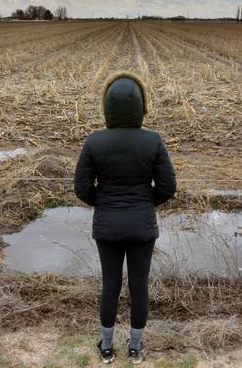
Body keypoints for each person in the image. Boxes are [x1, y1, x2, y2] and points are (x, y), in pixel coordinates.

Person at [74, 71, 177, 364]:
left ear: (107, 107)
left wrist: (104, 203)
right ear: (140, 106)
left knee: (110, 285)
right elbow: (168, 187)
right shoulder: (153, 141)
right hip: (142, 226)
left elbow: (81, 188)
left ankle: (106, 349)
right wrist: (145, 203)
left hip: (107, 226)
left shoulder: (94, 142)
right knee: (139, 286)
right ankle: (135, 348)